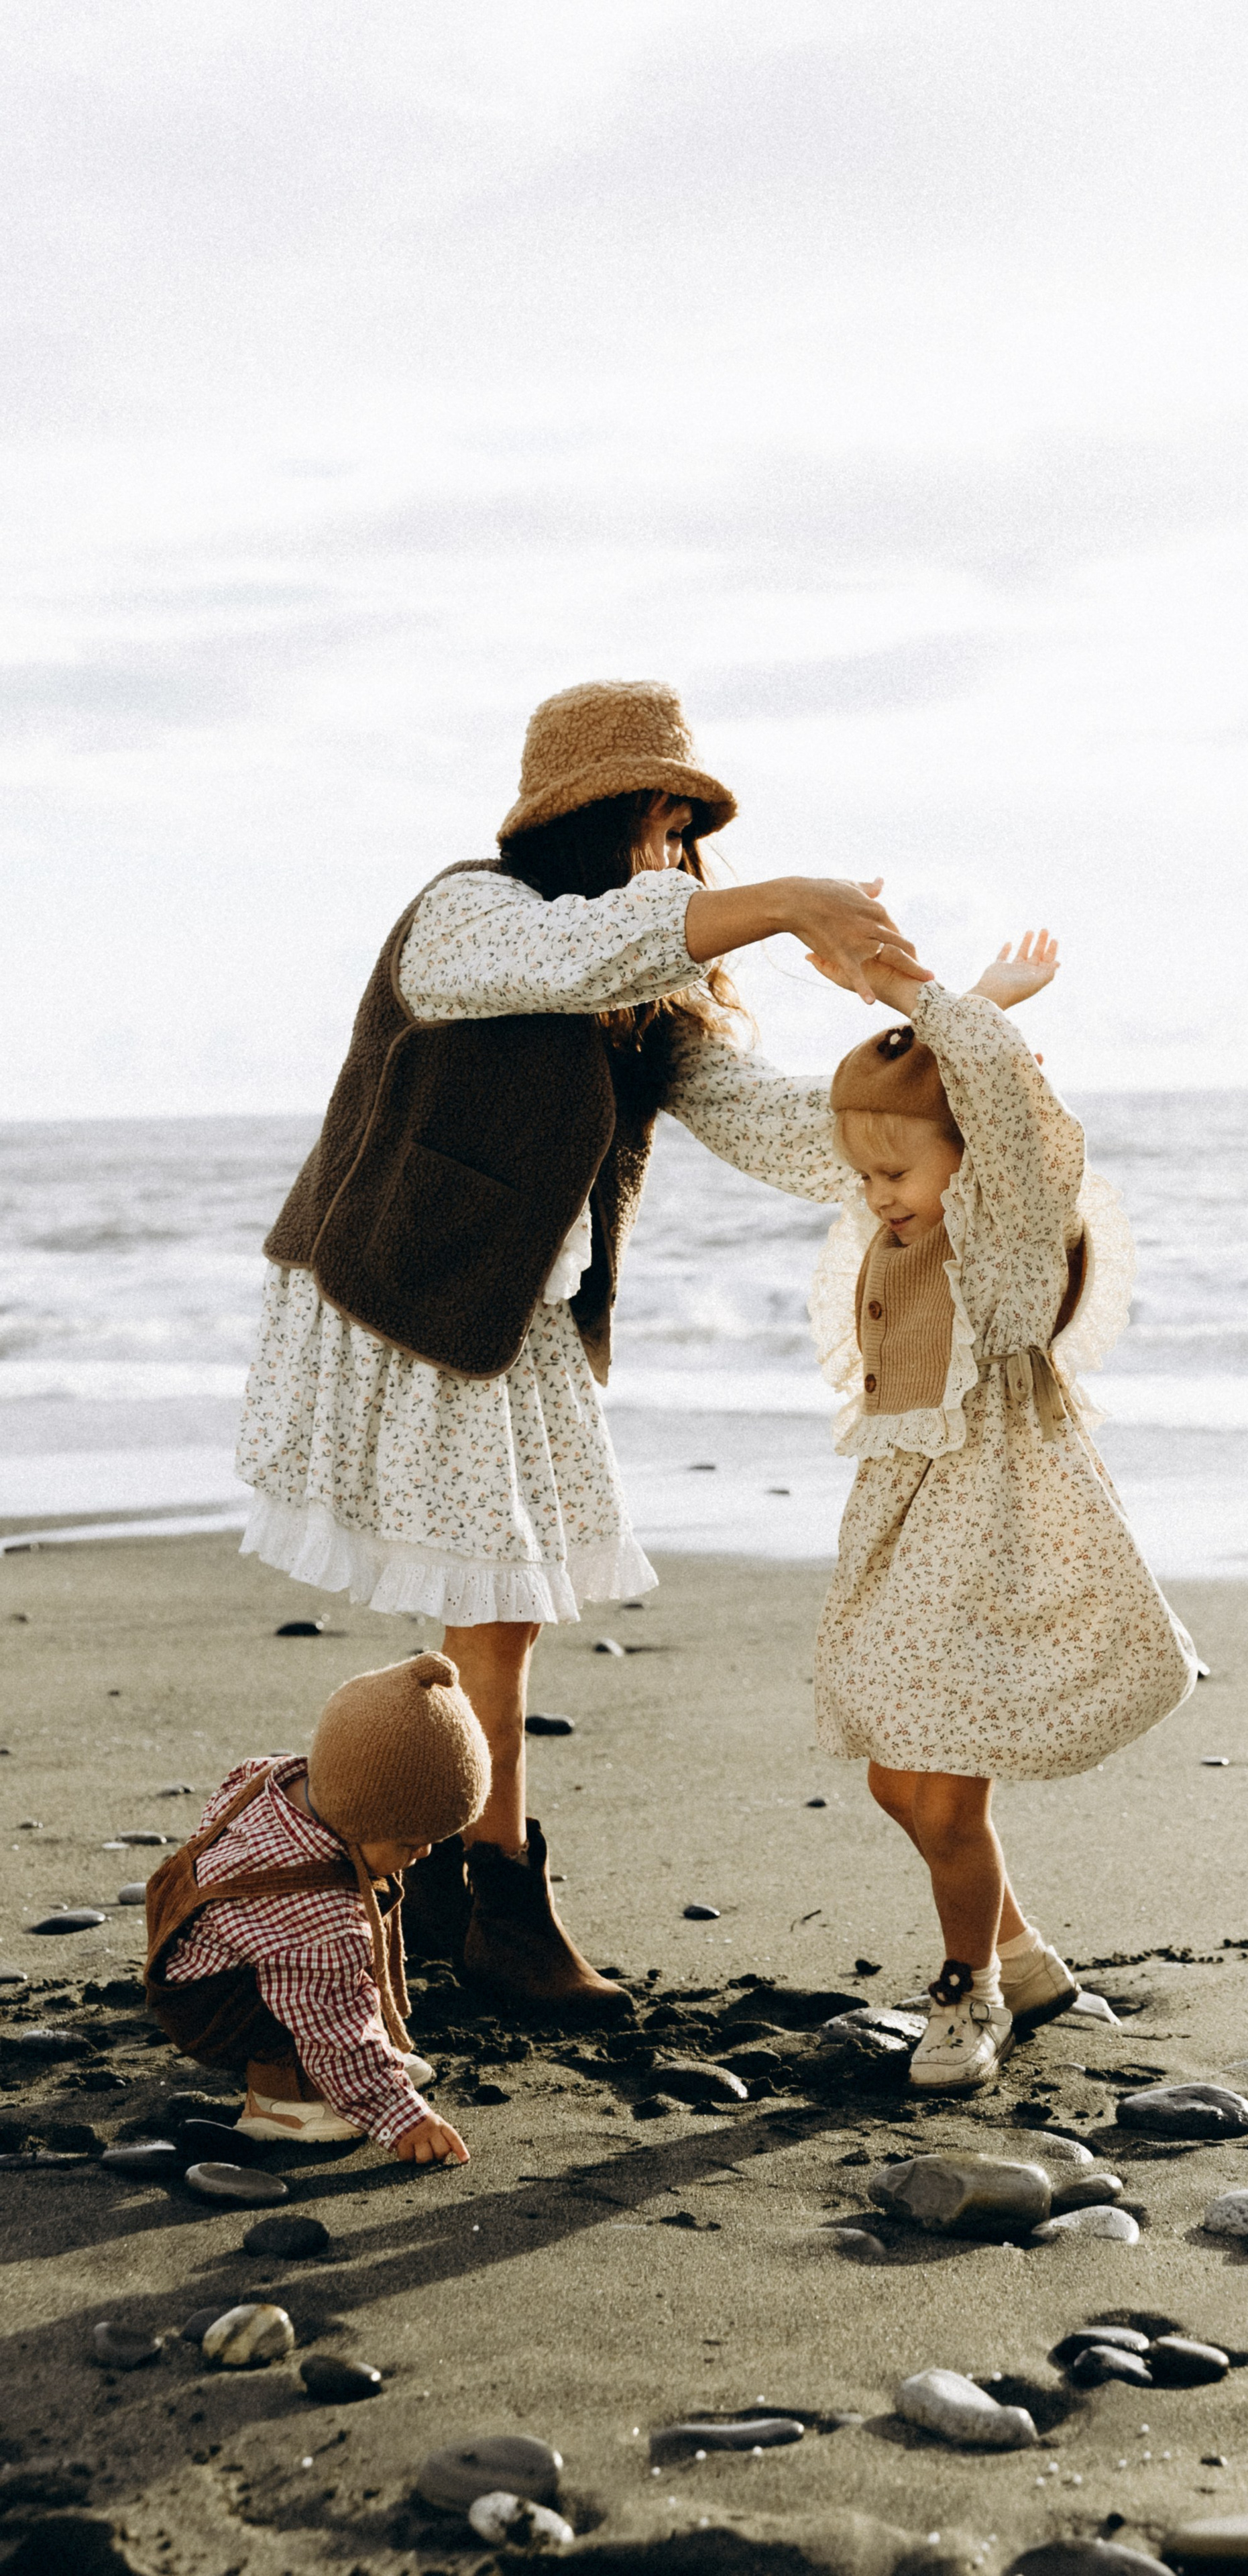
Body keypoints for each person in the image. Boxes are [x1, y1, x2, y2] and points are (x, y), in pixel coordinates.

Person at [237, 680, 919, 2016]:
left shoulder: (645, 987)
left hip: (519, 1320)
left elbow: (768, 1119)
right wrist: (780, 897)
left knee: (506, 1612)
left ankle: (446, 1885)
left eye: (685, 832)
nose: (671, 855)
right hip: (410, 1293)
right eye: (654, 824)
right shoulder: (468, 915)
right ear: (588, 822)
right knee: (496, 1609)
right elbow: (571, 955)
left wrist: (922, 1091)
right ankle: (488, 1897)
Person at [806, 934, 1199, 2092]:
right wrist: (930, 1022)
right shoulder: (905, 1226)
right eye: (866, 1178)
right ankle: (1023, 1958)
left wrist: (929, 997)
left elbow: (988, 1106)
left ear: (972, 1162)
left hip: (1002, 1523)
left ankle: (969, 1990)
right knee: (893, 1771)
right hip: (909, 1516)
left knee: (945, 1778)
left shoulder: (1013, 1220)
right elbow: (929, 1100)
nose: (878, 1200)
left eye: (896, 1176)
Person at [144, 1654, 486, 2163]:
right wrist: (402, 2115)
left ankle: (354, 2064)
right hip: (213, 2007)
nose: (425, 1854)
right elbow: (335, 2025)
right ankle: (283, 2101)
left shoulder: (272, 1777)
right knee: (328, 2005)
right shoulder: (320, 1919)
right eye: (411, 1841)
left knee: (329, 1979)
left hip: (185, 1939)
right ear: (359, 1815)